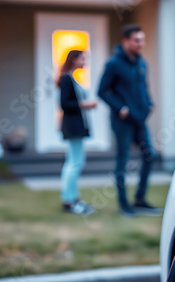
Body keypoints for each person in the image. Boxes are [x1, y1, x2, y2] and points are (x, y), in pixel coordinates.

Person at [98, 24, 160, 216]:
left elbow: (144, 87)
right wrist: (120, 108)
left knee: (149, 156)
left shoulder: (142, 63)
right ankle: (124, 205)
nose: (140, 43)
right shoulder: (113, 64)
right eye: (136, 40)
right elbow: (102, 91)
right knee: (122, 161)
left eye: (142, 39)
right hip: (122, 121)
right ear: (125, 41)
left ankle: (140, 199)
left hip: (140, 120)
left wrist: (149, 103)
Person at [57, 50, 97, 215]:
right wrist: (85, 105)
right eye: (82, 58)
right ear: (73, 60)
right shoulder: (66, 78)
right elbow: (64, 103)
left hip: (77, 126)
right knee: (75, 163)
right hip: (73, 126)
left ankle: (73, 198)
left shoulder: (71, 78)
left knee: (74, 162)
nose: (85, 62)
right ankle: (69, 201)